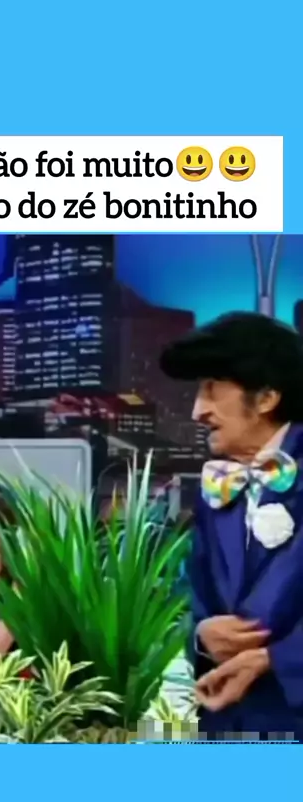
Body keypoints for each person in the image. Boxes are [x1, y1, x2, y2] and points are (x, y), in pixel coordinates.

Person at [159, 311, 303, 742]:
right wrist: (201, 635)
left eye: (211, 389)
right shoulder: (217, 489)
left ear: (266, 398)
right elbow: (189, 595)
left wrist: (276, 659)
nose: (197, 411)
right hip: (226, 727)